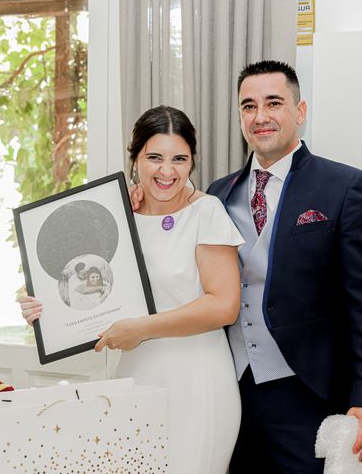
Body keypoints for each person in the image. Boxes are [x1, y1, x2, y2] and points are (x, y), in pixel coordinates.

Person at [129, 60, 362, 473]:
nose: (261, 116)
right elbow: (173, 211)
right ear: (239, 117)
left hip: (308, 390)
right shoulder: (218, 194)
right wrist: (140, 197)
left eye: (274, 103)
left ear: (299, 112)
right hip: (230, 387)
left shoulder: (345, 187)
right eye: (249, 106)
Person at [19, 105, 244, 474]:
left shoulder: (207, 212)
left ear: (192, 161)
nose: (167, 171)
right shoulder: (113, 218)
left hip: (197, 383)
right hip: (133, 378)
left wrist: (140, 329)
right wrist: (44, 313)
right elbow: (81, 290)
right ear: (135, 158)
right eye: (154, 157)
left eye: (179, 159)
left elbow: (224, 306)